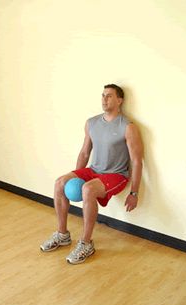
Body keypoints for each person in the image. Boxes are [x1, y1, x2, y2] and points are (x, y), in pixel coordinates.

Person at [40, 84, 143, 264]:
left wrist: (134, 192)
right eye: (103, 95)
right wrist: (76, 177)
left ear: (120, 100)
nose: (104, 99)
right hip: (95, 170)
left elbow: (136, 161)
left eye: (109, 96)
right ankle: (62, 234)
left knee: (88, 189)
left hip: (116, 174)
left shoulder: (127, 126)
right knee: (60, 182)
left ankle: (86, 243)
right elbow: (85, 153)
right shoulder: (92, 123)